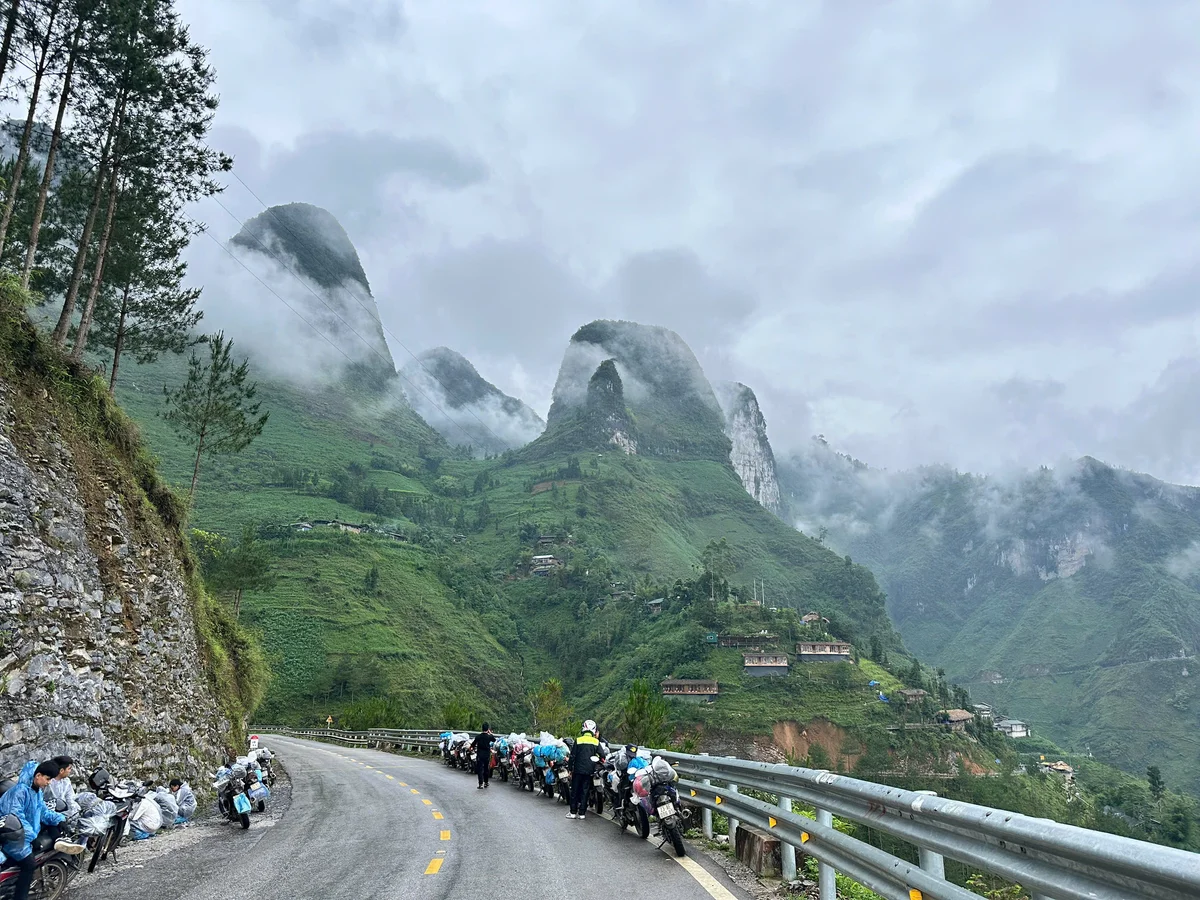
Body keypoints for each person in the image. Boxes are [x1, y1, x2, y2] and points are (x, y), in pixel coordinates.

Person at [0, 760, 81, 900]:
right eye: (48, 779)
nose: (49, 783)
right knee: (29, 864)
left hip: (24, 834)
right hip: (12, 835)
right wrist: (32, 837)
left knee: (51, 825)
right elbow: (15, 817)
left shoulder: (36, 792)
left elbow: (43, 812)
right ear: (38, 775)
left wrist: (60, 819)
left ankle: (60, 839)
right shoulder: (19, 792)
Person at [566, 720, 604, 820]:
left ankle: (573, 812)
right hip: (589, 771)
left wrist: (570, 769)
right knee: (585, 791)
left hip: (577, 770)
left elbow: (572, 756)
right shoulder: (596, 742)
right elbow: (602, 756)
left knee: (575, 791)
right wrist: (595, 757)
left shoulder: (578, 740)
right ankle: (582, 813)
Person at [473, 724, 495, 789]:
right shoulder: (489, 737)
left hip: (480, 755)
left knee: (480, 769)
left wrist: (471, 748)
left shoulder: (478, 737)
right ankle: (486, 782)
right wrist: (490, 733)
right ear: (488, 729)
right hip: (487, 755)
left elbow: (473, 744)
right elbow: (494, 740)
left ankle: (480, 784)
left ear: (482, 729)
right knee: (486, 769)